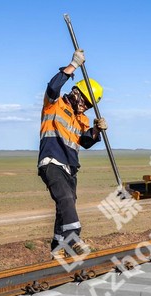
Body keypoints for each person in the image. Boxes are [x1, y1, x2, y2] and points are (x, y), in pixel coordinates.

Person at [38, 49, 108, 257]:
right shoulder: (54, 105)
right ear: (76, 92)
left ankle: (58, 247)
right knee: (66, 199)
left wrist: (96, 131)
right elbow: (52, 87)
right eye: (85, 102)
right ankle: (73, 238)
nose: (85, 107)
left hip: (70, 168)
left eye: (89, 105)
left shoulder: (82, 119)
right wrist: (73, 65)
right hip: (51, 162)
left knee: (65, 205)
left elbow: (85, 141)